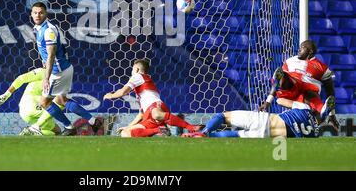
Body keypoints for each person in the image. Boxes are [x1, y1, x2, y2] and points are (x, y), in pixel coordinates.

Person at [27, 2, 102, 136]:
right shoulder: (40, 28)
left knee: (44, 102)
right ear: (31, 14)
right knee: (62, 100)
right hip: (64, 68)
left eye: (41, 12)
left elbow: (51, 55)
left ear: (46, 14)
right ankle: (93, 121)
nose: (38, 15)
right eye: (35, 12)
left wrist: (46, 78)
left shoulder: (48, 30)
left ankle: (69, 127)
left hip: (58, 71)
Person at [103, 59, 203, 137]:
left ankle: (191, 127)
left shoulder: (138, 76)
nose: (131, 72)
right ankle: (158, 130)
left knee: (156, 114)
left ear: (137, 70)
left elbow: (123, 91)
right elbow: (141, 115)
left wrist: (110, 96)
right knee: (125, 133)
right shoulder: (140, 95)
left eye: (132, 69)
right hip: (149, 117)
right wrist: (128, 126)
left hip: (156, 108)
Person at [259, 40, 339, 129]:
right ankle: (319, 112)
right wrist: (268, 101)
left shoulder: (322, 68)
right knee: (280, 73)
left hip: (307, 93)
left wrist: (332, 115)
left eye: (302, 47)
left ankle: (323, 112)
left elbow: (330, 90)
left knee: (311, 93)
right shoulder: (290, 61)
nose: (299, 49)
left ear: (310, 51)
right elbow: (279, 77)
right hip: (291, 89)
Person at [183, 97, 331, 139]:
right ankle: (208, 136)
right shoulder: (314, 134)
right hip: (265, 136)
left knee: (223, 116)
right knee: (234, 135)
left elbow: (280, 101)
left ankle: (205, 131)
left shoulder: (304, 108)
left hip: (264, 120)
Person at [0, 68, 61, 136]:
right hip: (32, 104)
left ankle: (30, 133)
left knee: (57, 131)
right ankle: (32, 130)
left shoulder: (58, 80)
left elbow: (22, 78)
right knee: (55, 110)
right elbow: (22, 78)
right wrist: (6, 94)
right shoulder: (44, 72)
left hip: (26, 112)